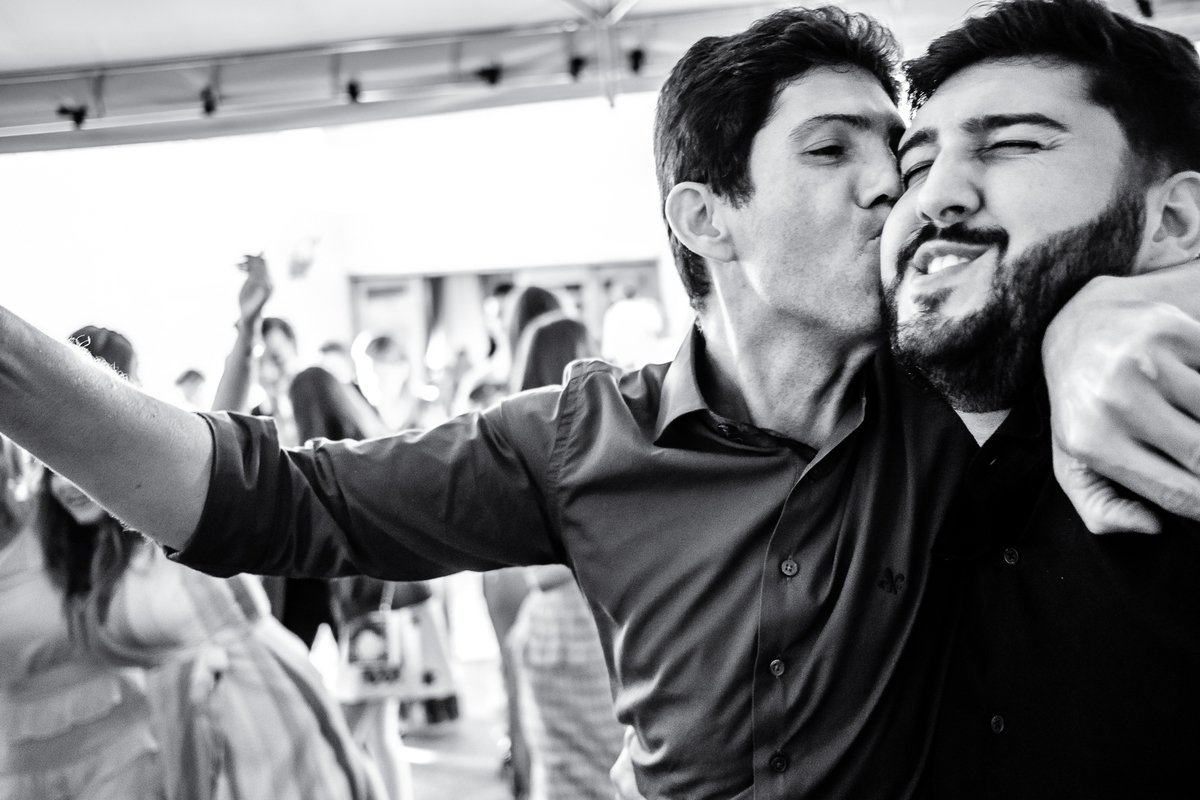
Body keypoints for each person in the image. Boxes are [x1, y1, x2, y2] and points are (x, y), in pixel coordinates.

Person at [2, 8, 1200, 800]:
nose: (897, 185)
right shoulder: (578, 441)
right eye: (834, 150)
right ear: (705, 217)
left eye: (900, 150)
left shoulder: (961, 385)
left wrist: (1114, 310)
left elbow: (1101, 243)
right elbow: (269, 499)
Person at [879, 0, 1200, 795]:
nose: (935, 196)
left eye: (1014, 144)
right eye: (914, 168)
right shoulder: (855, 423)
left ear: (1174, 219)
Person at [505, 314, 625, 800]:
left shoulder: (516, 440)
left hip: (547, 624)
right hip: (597, 619)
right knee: (618, 770)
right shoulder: (608, 431)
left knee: (561, 774)